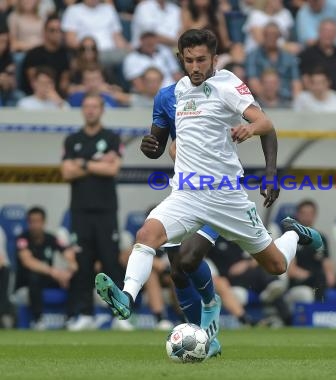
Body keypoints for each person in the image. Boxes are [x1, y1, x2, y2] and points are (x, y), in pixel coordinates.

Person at [96, 29, 318, 352]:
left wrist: (251, 131)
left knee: (275, 266)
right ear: (181, 60)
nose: (196, 67)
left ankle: (294, 235)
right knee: (147, 235)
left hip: (225, 196)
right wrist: (150, 145)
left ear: (214, 59)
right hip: (185, 194)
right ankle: (126, 297)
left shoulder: (228, 86)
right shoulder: (176, 93)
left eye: (202, 60)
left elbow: (266, 123)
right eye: (189, 61)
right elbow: (158, 144)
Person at [60, 93, 126, 331]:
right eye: (86, 107)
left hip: (106, 211)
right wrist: (98, 163)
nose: (90, 111)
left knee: (111, 263)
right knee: (83, 264)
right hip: (80, 212)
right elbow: (66, 172)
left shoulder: (111, 137)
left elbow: (113, 170)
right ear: (82, 110)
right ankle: (85, 314)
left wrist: (83, 163)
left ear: (101, 110)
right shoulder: (72, 139)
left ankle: (120, 315)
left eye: (94, 107)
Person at [15, 207, 77, 330]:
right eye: (32, 222)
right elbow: (28, 262)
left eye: (38, 221)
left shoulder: (51, 238)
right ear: (28, 223)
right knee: (34, 277)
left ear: (43, 222)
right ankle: (38, 320)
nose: (35, 225)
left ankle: (71, 318)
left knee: (74, 278)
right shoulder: (22, 239)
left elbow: (69, 256)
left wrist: (68, 272)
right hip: (27, 280)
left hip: (47, 279)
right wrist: (53, 271)